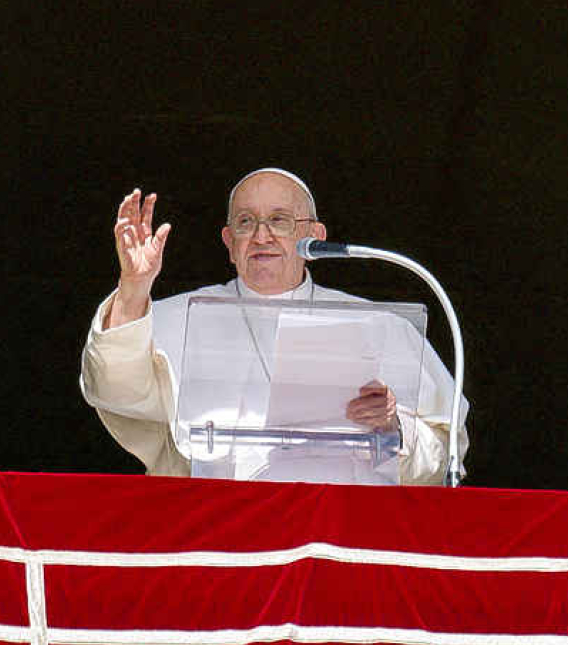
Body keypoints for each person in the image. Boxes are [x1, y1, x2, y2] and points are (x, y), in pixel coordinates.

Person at [80, 168, 467, 484]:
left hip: (341, 534)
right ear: (230, 243)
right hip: (220, 535)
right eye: (247, 223)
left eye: (279, 221)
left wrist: (391, 427)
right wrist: (133, 287)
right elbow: (112, 389)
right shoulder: (182, 316)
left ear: (314, 237)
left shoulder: (381, 326)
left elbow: (445, 453)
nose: (262, 236)